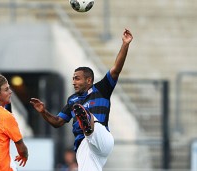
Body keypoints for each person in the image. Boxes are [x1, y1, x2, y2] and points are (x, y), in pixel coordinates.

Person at [30, 29, 133, 171]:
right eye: (73, 79)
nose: (73, 82)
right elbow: (57, 122)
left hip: (102, 138)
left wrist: (125, 44)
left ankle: (86, 118)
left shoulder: (101, 89)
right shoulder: (72, 100)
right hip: (84, 146)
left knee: (91, 125)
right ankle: (85, 120)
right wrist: (43, 111)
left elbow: (115, 70)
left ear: (89, 80)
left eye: (77, 78)